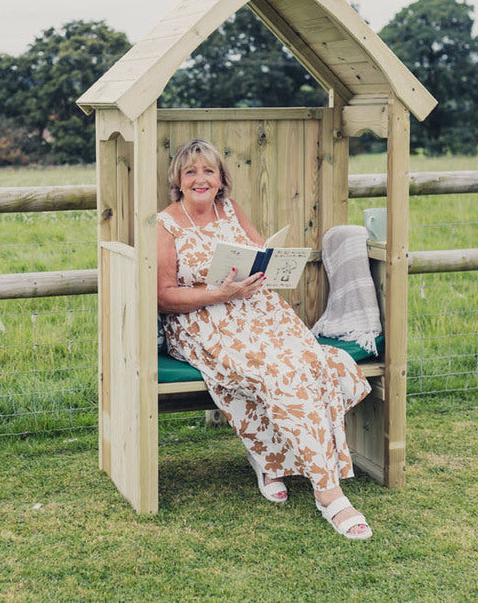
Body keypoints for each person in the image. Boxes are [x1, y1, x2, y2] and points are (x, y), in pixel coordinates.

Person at [157, 139, 373, 539]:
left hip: (259, 309)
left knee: (318, 363)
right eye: (191, 172)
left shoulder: (231, 210)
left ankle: (269, 456)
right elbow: (164, 296)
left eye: (209, 171)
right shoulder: (166, 224)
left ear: (221, 180)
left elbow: (260, 256)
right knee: (279, 372)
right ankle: (330, 494)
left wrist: (261, 273)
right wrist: (218, 294)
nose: (200, 179)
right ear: (178, 181)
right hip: (203, 321)